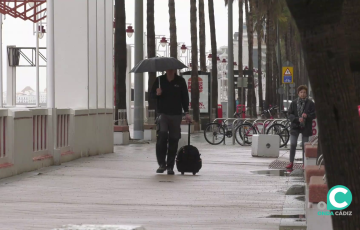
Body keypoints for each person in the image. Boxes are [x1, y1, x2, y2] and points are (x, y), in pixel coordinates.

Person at [151, 69, 191, 175]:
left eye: (172, 69)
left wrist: (186, 112)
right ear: (166, 70)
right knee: (162, 135)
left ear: (174, 70)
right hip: (162, 114)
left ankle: (170, 166)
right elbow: (151, 95)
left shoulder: (180, 81)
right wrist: (157, 93)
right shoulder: (159, 80)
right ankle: (161, 164)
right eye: (168, 69)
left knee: (174, 139)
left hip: (176, 114)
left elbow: (185, 97)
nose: (170, 71)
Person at [285, 85, 316, 169]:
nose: (302, 94)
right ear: (298, 93)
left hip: (306, 126)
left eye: (304, 92)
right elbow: (289, 114)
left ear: (306, 93)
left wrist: (307, 116)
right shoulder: (294, 103)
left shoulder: (310, 103)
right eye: (301, 92)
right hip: (295, 126)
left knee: (304, 145)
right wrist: (297, 119)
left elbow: (314, 114)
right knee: (293, 143)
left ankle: (304, 163)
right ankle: (291, 162)